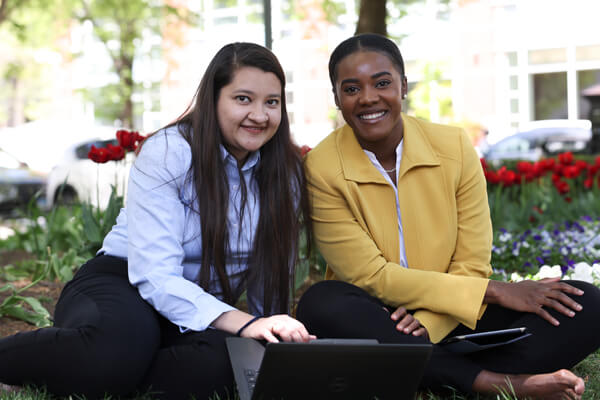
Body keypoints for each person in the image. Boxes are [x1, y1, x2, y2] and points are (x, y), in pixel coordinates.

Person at [0, 42, 315, 400]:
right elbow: (157, 276)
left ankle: (110, 371)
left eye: (271, 102)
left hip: (195, 306)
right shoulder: (171, 152)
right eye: (243, 99)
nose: (260, 115)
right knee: (119, 348)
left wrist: (269, 334)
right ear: (213, 99)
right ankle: (29, 360)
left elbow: (272, 268)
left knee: (223, 364)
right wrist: (248, 323)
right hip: (124, 282)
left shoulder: (284, 172)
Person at [296, 33, 600, 400]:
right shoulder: (321, 167)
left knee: (586, 303)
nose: (369, 98)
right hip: (373, 316)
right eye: (351, 88)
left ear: (403, 85)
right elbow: (370, 276)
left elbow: (471, 262)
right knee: (321, 303)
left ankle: (423, 370)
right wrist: (499, 291)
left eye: (382, 83)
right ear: (336, 98)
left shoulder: (454, 147)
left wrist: (428, 324)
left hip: (454, 312)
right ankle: (493, 383)